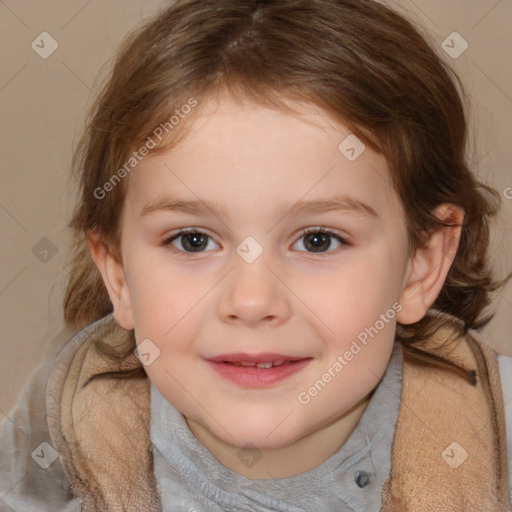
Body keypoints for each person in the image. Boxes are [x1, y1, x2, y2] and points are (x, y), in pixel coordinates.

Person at [1, 0, 511, 510]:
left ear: (420, 265)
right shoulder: (44, 461)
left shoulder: (493, 437)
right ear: (119, 274)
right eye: (192, 240)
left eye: (318, 240)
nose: (250, 300)